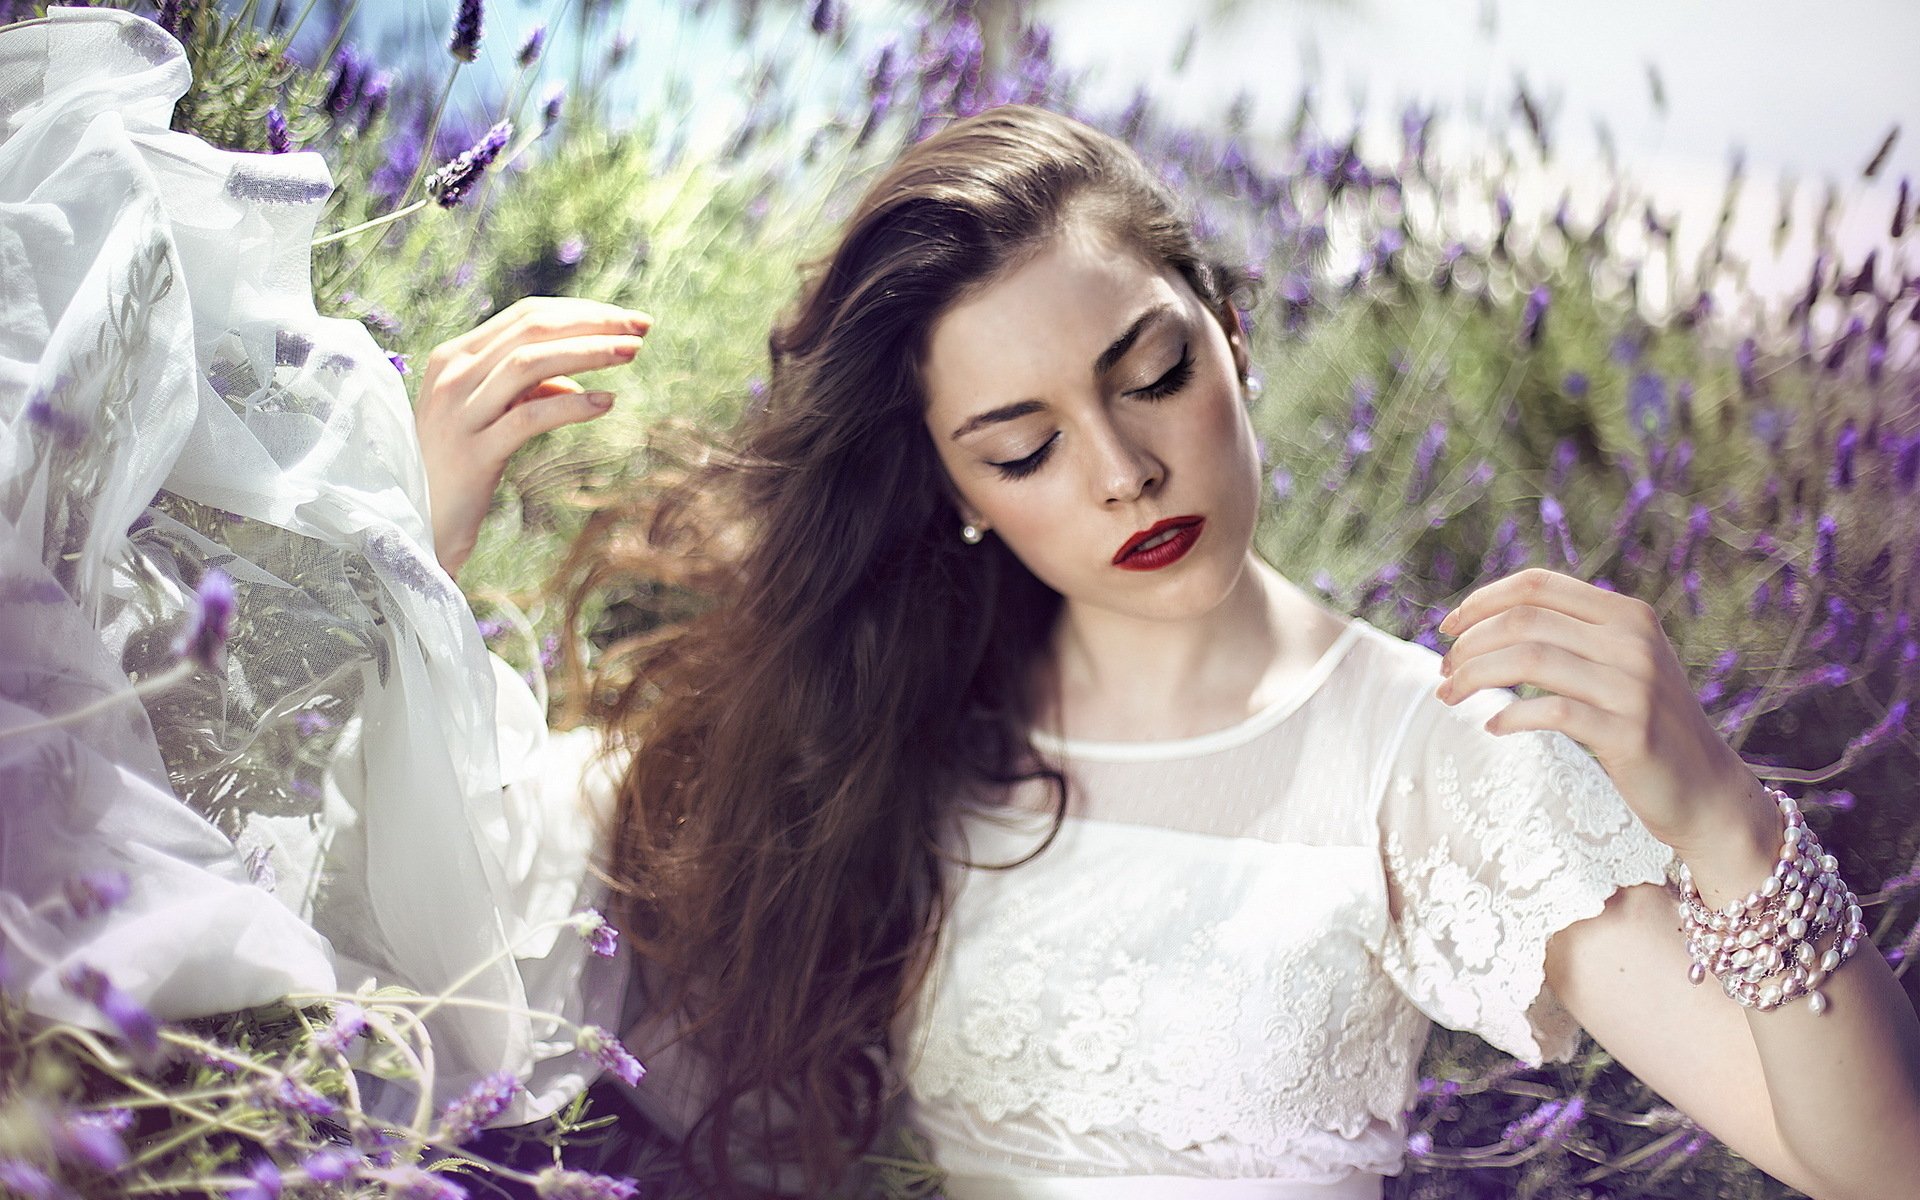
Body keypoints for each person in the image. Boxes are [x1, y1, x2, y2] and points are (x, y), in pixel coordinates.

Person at [414, 106, 1920, 1199]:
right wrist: (409, 551)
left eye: (1152, 374)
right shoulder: (914, 722)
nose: (1124, 469)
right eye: (1024, 450)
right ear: (954, 495)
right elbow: (478, 905)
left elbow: (1878, 1163)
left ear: (1234, 335)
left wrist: (1725, 820)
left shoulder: (1434, 752)